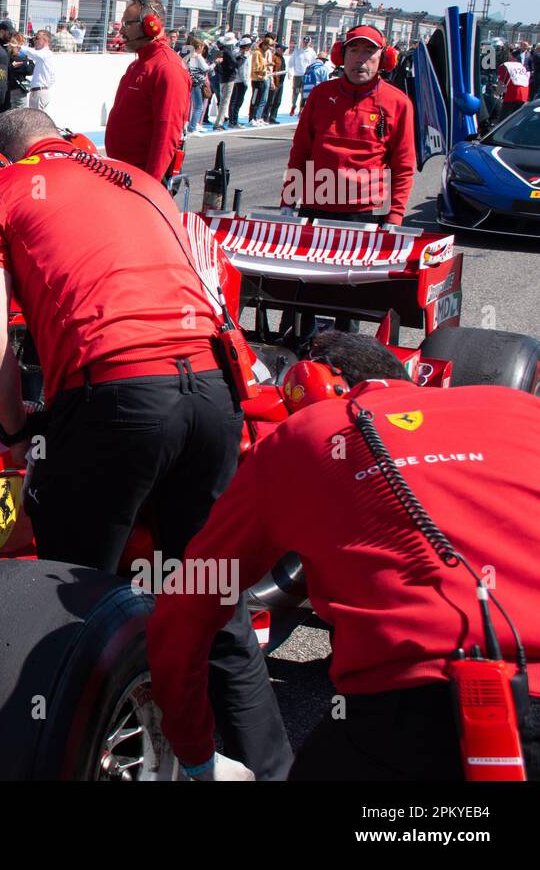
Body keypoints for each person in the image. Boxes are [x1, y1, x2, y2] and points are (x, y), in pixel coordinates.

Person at [0, 108, 292, 781]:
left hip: (117, 398)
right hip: (211, 395)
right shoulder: (139, 178)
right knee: (211, 602)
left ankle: (65, 760)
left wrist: (20, 428)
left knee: (71, 609)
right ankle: (269, 770)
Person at [149, 331, 540, 780]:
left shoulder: (301, 437)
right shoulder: (520, 408)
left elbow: (184, 612)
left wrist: (196, 755)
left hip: (415, 709)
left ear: (312, 383)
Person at [281, 25, 415, 225]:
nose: (360, 59)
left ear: (384, 58)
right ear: (341, 56)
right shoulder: (321, 95)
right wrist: (288, 202)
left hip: (368, 211)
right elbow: (300, 152)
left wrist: (394, 216)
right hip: (316, 206)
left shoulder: (398, 102)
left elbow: (403, 166)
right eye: (353, 50)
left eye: (369, 52)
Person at [105, 0, 190, 182]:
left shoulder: (167, 68)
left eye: (128, 24)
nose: (121, 30)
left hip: (141, 180)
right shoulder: (139, 64)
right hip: (123, 174)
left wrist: (150, 186)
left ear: (152, 25)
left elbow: (167, 132)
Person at [18, 30, 56, 112]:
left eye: (37, 38)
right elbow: (53, 78)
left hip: (40, 91)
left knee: (38, 121)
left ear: (45, 40)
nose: (34, 40)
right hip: (38, 91)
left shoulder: (46, 53)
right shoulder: (43, 55)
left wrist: (20, 47)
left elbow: (33, 54)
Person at [211, 31, 241, 129]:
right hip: (228, 78)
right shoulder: (227, 52)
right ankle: (218, 123)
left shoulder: (218, 51)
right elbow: (235, 64)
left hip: (222, 78)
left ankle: (219, 121)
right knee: (225, 101)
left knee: (223, 101)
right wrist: (241, 58)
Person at [182, 37, 211, 137]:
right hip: (198, 83)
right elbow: (205, 68)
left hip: (190, 82)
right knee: (199, 106)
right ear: (199, 47)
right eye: (202, 47)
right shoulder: (198, 56)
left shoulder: (188, 56)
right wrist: (214, 63)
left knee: (190, 105)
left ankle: (189, 125)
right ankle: (192, 127)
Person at [497, 48, 531, 121]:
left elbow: (501, 82)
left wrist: (497, 94)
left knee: (503, 117)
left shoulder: (504, 65)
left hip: (512, 93)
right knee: (516, 117)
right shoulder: (521, 65)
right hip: (524, 92)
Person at [228, 35, 253, 127]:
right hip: (239, 81)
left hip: (237, 80)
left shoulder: (239, 53)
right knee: (237, 101)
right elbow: (241, 69)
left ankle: (233, 120)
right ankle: (233, 121)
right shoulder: (240, 54)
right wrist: (245, 82)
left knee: (235, 101)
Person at [288, 35, 316, 115]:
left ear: (309, 43)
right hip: (297, 75)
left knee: (304, 93)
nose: (305, 44)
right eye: (304, 42)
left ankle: (301, 109)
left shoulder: (312, 52)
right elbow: (291, 63)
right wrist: (290, 72)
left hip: (307, 76)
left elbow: (313, 64)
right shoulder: (297, 51)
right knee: (295, 92)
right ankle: (293, 105)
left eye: (307, 42)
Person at [248, 35, 271, 125]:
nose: (268, 49)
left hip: (262, 79)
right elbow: (256, 67)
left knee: (259, 99)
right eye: (267, 46)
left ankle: (256, 117)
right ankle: (251, 118)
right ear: (264, 45)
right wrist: (265, 66)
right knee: (254, 99)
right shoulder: (257, 53)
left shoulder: (262, 53)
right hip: (256, 79)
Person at [265, 42, 288, 124]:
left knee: (277, 101)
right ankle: (265, 116)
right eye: (282, 49)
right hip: (275, 81)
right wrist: (272, 82)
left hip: (280, 82)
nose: (283, 51)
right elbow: (271, 70)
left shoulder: (282, 58)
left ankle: (273, 117)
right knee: (270, 100)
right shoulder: (274, 57)